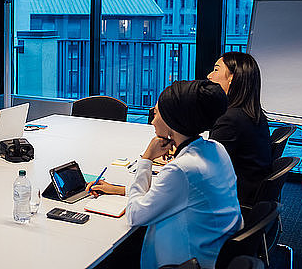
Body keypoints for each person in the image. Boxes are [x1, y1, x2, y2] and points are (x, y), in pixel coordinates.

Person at [88, 80, 242, 269]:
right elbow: (174, 193)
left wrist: (147, 158)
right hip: (215, 251)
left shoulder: (182, 169)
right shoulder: (215, 148)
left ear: (172, 121)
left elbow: (135, 216)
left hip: (186, 261)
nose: (152, 119)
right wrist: (120, 190)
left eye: (157, 113)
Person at [207, 51, 272, 206]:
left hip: (232, 201)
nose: (209, 75)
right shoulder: (250, 113)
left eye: (216, 69)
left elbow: (207, 169)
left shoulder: (231, 119)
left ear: (232, 78)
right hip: (250, 191)